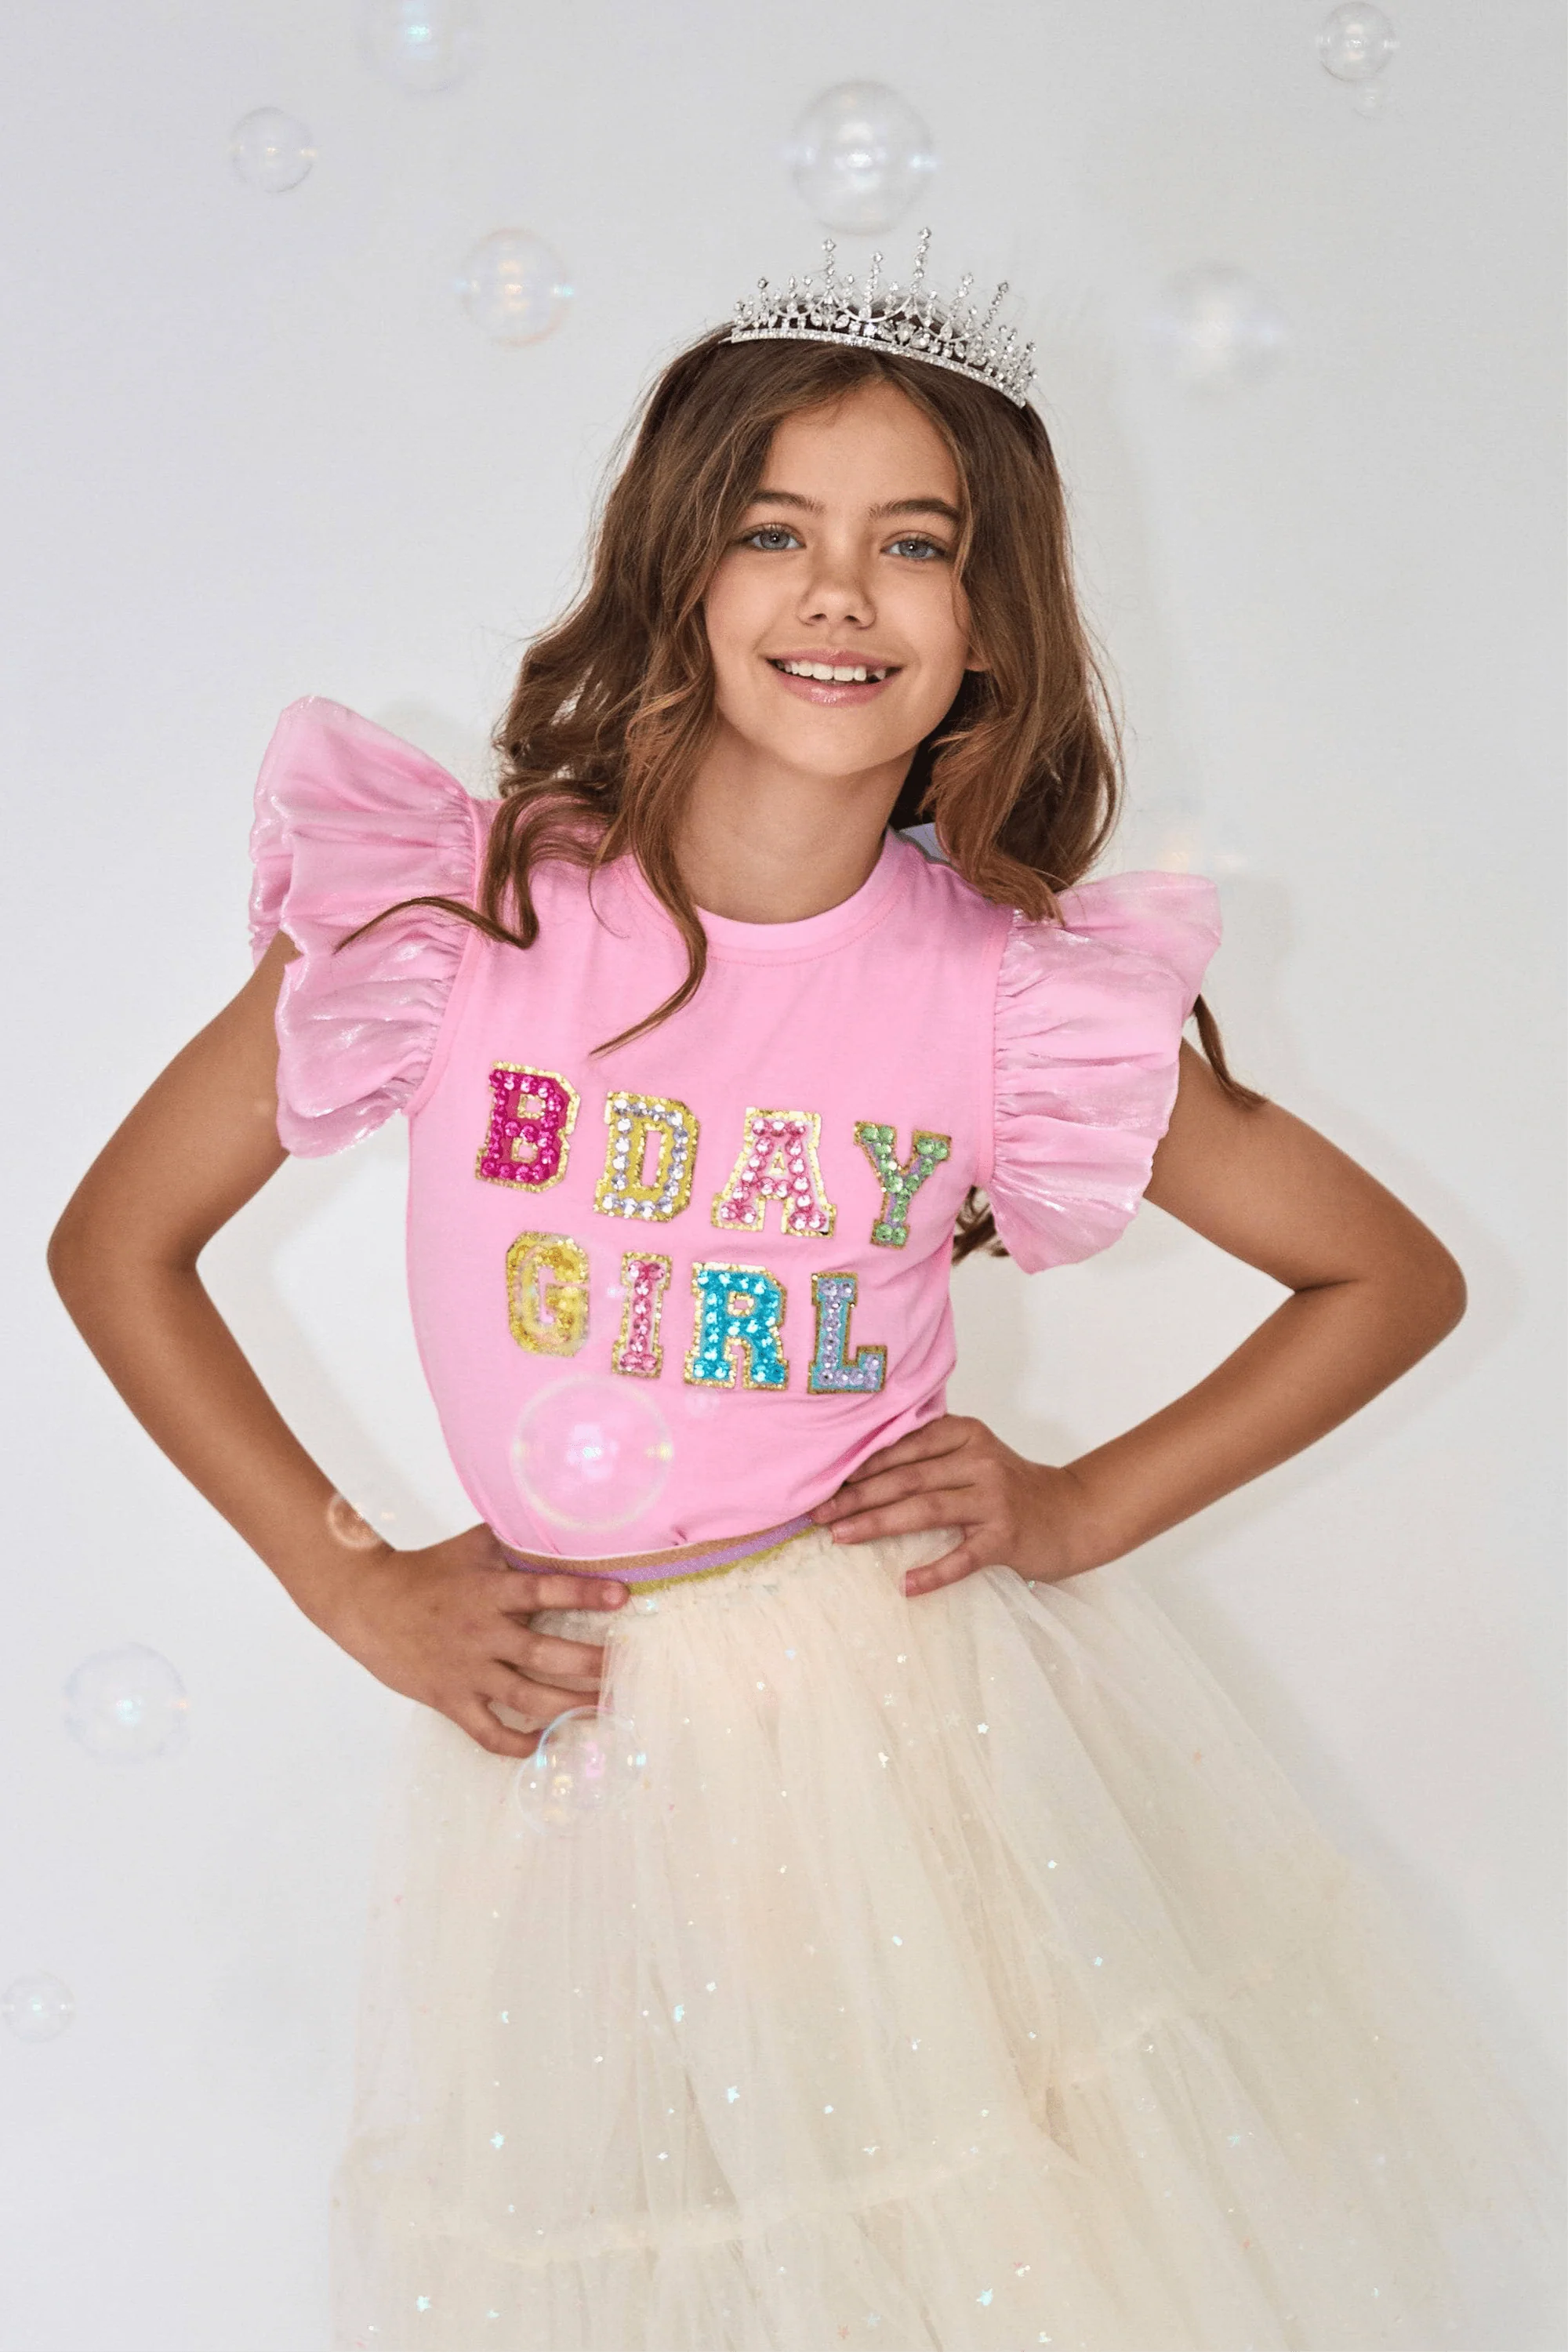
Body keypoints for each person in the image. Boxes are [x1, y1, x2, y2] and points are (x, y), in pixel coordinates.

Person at [49, 237, 1564, 2350]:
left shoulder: (1006, 994)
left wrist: (1078, 1507)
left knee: (944, 2251)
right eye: (775, 532)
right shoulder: (466, 914)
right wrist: (350, 1582)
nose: (841, 594)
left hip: (887, 1726)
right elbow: (115, 1242)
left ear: (992, 626)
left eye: (913, 546)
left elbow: (1384, 1276)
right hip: (570, 1723)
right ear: (677, 571)